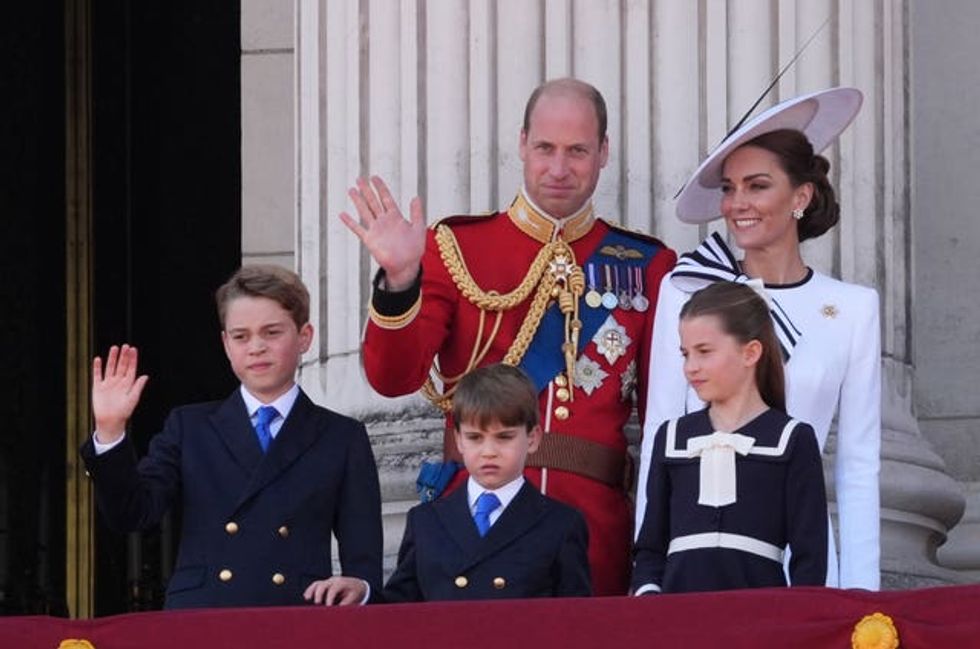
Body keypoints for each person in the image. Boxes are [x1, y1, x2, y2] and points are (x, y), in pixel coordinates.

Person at [341, 78, 676, 596]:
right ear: (521, 144)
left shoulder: (648, 265)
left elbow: (663, 421)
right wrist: (401, 280)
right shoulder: (456, 248)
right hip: (473, 524)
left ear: (604, 153)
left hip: (592, 529)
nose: (559, 168)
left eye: (578, 151)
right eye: (545, 148)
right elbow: (392, 379)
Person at [637, 87, 880, 589]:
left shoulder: (853, 309)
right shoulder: (688, 290)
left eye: (757, 185)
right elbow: (661, 430)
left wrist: (860, 597)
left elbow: (858, 469)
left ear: (801, 197)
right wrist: (647, 581)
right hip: (695, 569)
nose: (737, 204)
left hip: (802, 570)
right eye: (729, 188)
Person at [80, 265, 383, 609]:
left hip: (297, 615)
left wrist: (360, 586)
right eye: (241, 336)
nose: (256, 347)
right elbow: (132, 514)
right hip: (204, 616)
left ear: (304, 337)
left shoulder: (341, 437)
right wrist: (109, 431)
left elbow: (364, 562)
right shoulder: (188, 427)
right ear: (225, 343)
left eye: (271, 333)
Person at [307, 364, 591, 603]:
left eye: (504, 437)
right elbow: (400, 612)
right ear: (458, 440)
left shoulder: (560, 525)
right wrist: (364, 593)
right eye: (475, 437)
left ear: (532, 438)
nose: (488, 451)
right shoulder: (426, 522)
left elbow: (573, 624)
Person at [632, 281, 827, 594]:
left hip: (760, 622)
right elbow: (651, 545)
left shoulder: (793, 439)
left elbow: (810, 556)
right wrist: (649, 597)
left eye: (704, 352)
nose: (691, 368)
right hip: (677, 620)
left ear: (750, 352)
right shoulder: (671, 437)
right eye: (685, 354)